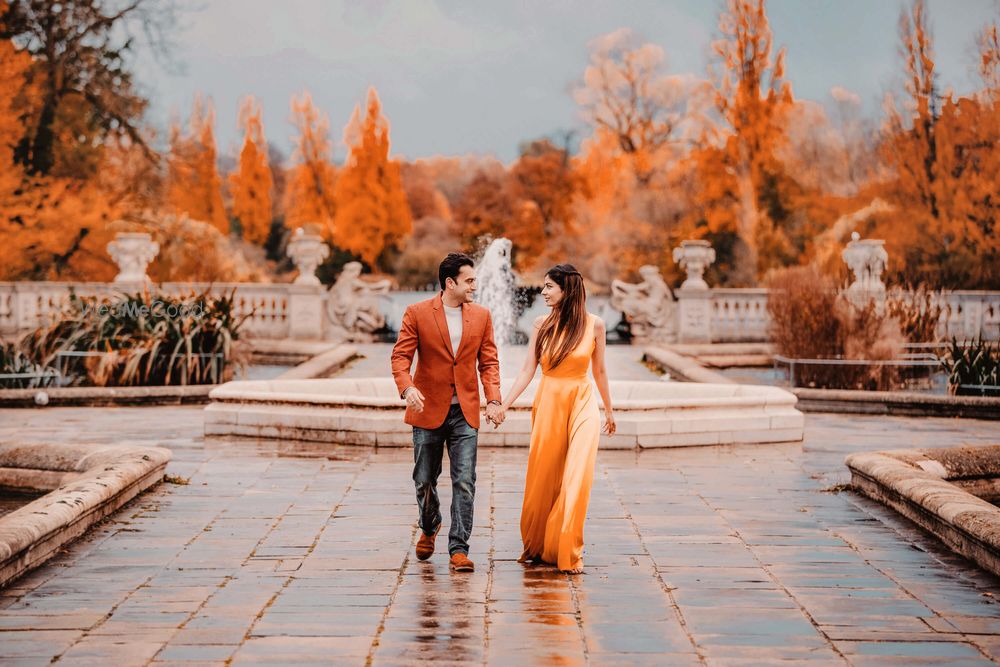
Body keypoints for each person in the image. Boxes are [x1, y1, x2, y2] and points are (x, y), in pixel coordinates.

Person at [496, 264, 615, 574]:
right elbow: (527, 370)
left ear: (567, 290)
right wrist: (505, 404)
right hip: (549, 403)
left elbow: (599, 371)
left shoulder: (595, 325)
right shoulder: (541, 324)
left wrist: (609, 410)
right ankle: (539, 545)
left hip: (583, 402)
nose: (543, 292)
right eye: (544, 286)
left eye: (549, 286)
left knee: (578, 475)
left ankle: (567, 550)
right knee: (544, 479)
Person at [390, 252, 505, 573]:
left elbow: (489, 362)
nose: (475, 286)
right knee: (424, 480)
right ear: (449, 282)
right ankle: (430, 525)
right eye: (469, 280)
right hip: (426, 409)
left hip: (464, 413)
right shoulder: (417, 313)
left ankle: (459, 547)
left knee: (465, 481)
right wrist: (408, 387)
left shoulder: (481, 316)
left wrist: (493, 400)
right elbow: (400, 357)